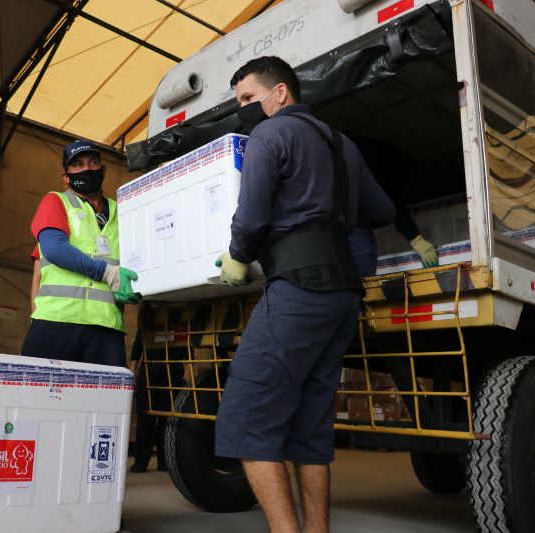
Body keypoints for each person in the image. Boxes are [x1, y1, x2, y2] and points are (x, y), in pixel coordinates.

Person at [213, 56, 395, 533]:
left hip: (297, 287)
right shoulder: (344, 146)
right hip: (342, 295)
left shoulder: (269, 136)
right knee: (309, 428)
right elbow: (381, 209)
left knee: (247, 417)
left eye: (249, 98)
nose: (243, 110)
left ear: (280, 94)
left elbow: (251, 215)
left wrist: (237, 255)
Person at [21, 140, 139, 367]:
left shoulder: (123, 211)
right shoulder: (56, 202)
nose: (86, 169)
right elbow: (55, 250)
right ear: (65, 177)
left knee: (102, 402)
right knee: (40, 400)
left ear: (103, 170)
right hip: (56, 322)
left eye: (93, 162)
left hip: (107, 327)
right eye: (77, 165)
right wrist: (108, 274)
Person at [348, 136, 438, 277]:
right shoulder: (395, 165)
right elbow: (396, 202)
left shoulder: (375, 150)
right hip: (345, 203)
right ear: (411, 173)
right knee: (364, 251)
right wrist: (415, 238)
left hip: (332, 200)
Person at [128, 302, 168, 473]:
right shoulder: (147, 322)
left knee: (168, 419)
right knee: (145, 416)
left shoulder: (179, 320)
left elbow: (188, 348)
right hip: (150, 368)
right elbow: (137, 346)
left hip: (172, 368)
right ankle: (141, 461)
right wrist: (132, 371)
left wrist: (187, 376)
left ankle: (165, 461)